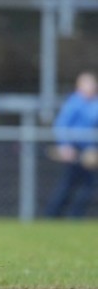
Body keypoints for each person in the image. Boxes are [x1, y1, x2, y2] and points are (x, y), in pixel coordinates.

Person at [45, 71, 98, 218]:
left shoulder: (95, 103)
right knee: (68, 185)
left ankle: (75, 216)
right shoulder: (74, 103)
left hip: (89, 152)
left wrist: (93, 149)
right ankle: (52, 215)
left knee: (89, 186)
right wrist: (65, 146)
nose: (91, 87)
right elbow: (61, 125)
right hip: (74, 150)